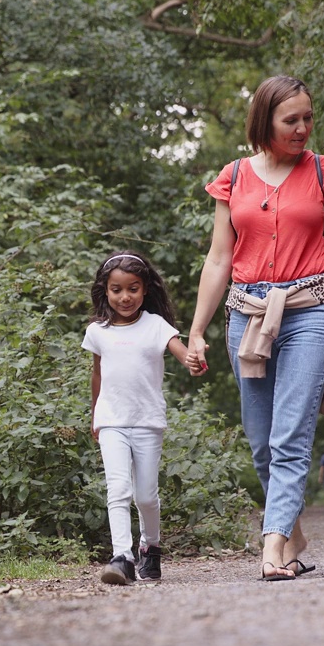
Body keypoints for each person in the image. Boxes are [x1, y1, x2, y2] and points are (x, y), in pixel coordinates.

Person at [186, 74, 324, 582]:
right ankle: (294, 536)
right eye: (291, 120)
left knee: (290, 434)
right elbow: (218, 259)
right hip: (248, 314)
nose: (303, 128)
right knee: (260, 440)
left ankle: (272, 545)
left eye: (308, 118)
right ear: (264, 121)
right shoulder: (233, 176)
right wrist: (195, 330)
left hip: (313, 308)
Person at [83, 250, 203, 585]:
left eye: (133, 288)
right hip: (111, 421)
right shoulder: (98, 331)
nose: (125, 296)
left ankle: (150, 548)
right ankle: (122, 557)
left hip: (148, 421)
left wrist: (193, 360)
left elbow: (181, 352)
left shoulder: (155, 325)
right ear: (105, 291)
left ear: (145, 289)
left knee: (146, 496)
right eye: (117, 289)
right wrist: (95, 414)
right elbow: (97, 374)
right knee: (118, 489)